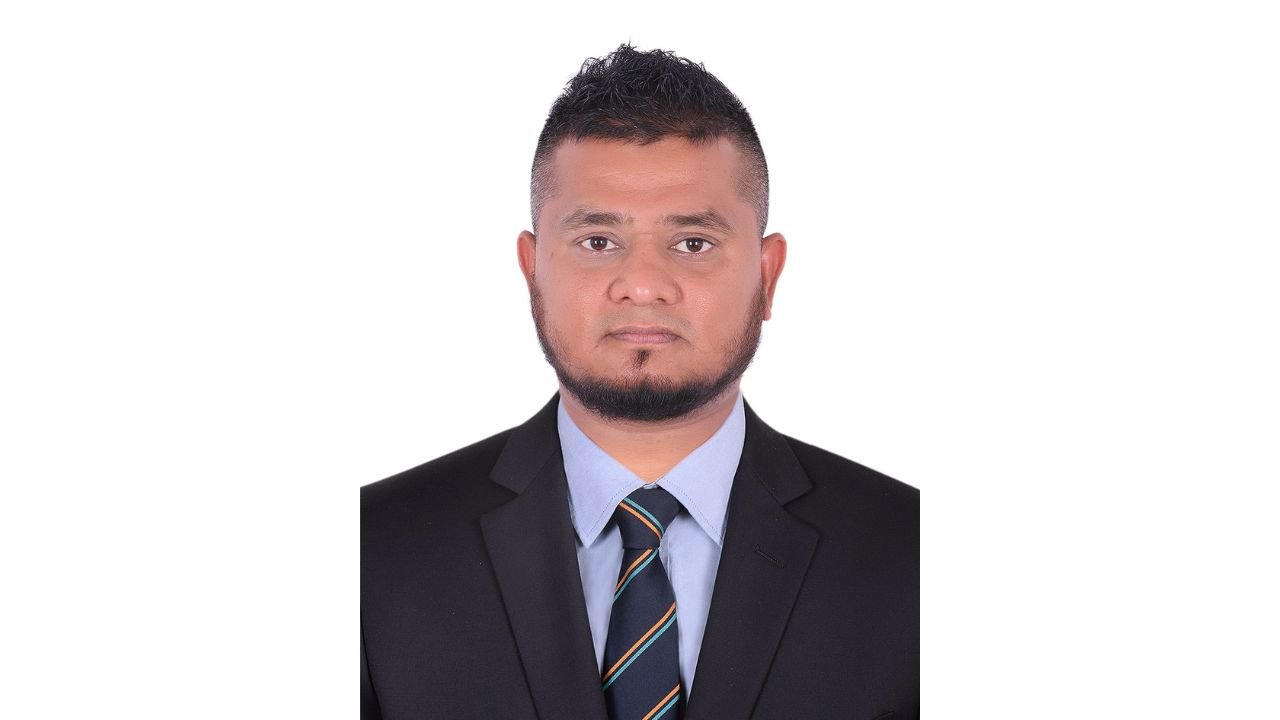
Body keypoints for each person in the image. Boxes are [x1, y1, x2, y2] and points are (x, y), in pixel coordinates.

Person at [361, 44, 919, 720]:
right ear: (533, 271)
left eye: (693, 243)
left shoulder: (913, 554)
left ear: (766, 276)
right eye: (598, 241)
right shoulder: (371, 550)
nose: (644, 286)